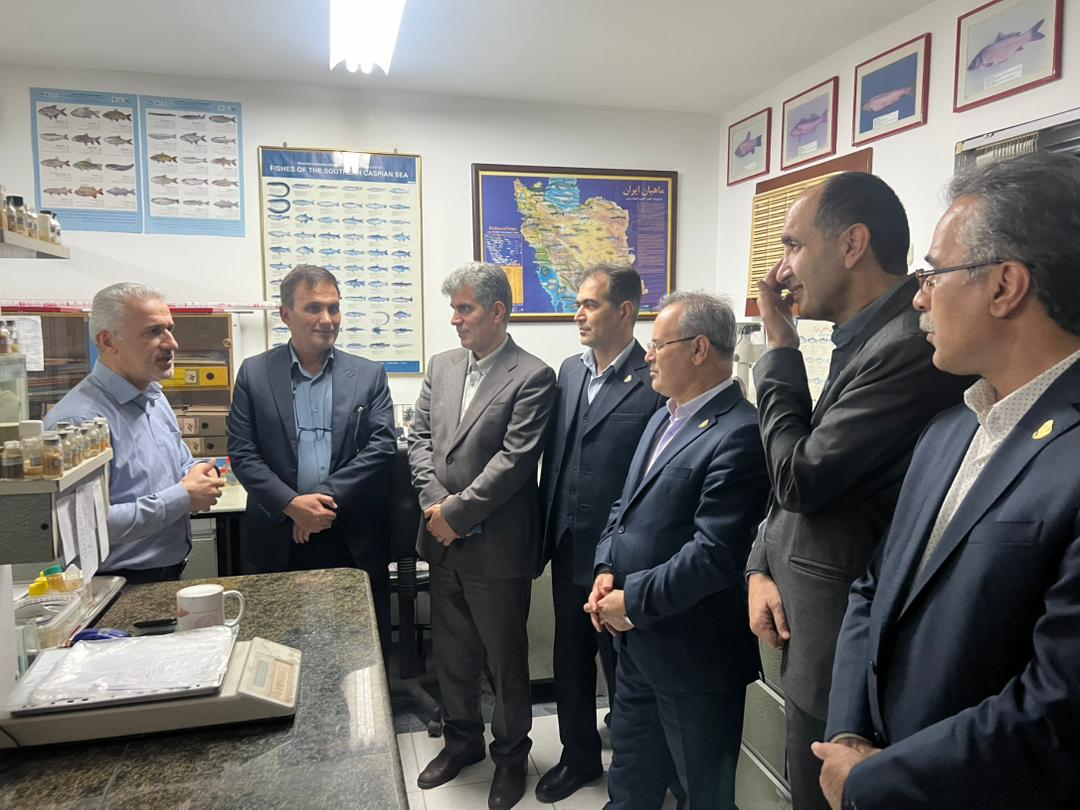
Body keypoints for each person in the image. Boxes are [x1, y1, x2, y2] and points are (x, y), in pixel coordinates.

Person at [818, 151, 1080, 809]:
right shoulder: (948, 430)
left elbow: (1058, 705)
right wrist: (848, 732)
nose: (919, 296)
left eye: (934, 273)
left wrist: (879, 777)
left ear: (1005, 286)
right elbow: (874, 586)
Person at [745, 172, 970, 808]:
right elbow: (807, 466)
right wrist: (760, 564)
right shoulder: (866, 335)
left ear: (852, 245)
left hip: (846, 649)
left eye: (793, 246)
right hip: (809, 626)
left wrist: (780, 350)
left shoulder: (908, 347)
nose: (783, 270)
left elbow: (801, 476)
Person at [588, 291, 770, 809]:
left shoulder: (740, 432)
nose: (647, 355)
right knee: (630, 779)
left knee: (701, 792)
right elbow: (624, 505)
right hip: (638, 644)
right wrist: (606, 567)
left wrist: (631, 600)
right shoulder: (663, 418)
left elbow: (714, 554)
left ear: (698, 349)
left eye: (658, 345)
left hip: (694, 657)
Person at [408, 262, 556, 809]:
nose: (455, 319)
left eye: (464, 309)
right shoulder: (442, 366)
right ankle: (462, 742)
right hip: (441, 539)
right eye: (454, 309)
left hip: (497, 547)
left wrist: (457, 514)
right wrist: (435, 507)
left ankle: (511, 757)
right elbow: (419, 440)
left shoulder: (533, 376)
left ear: (497, 311)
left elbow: (515, 462)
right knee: (452, 653)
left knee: (504, 661)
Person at [536, 264, 664, 804]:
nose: (578, 314)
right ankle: (579, 757)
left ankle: (636, 774)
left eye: (589, 304)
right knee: (569, 658)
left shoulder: (653, 378)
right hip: (569, 546)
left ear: (625, 311)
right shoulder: (570, 371)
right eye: (578, 303)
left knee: (624, 670)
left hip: (621, 558)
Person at [227, 265, 396, 646]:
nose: (327, 319)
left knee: (358, 650)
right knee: (280, 647)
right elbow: (243, 451)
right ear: (286, 314)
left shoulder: (368, 375)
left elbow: (382, 445)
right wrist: (291, 505)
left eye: (334, 308)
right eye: (314, 308)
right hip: (280, 535)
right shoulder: (255, 374)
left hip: (351, 536)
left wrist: (319, 501)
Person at [45, 282, 224, 582]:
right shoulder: (78, 423)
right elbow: (84, 525)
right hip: (115, 584)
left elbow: (181, 462)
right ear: (107, 341)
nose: (172, 343)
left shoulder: (153, 396)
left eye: (170, 329)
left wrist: (200, 474)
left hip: (166, 574)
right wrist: (183, 497)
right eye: (153, 332)